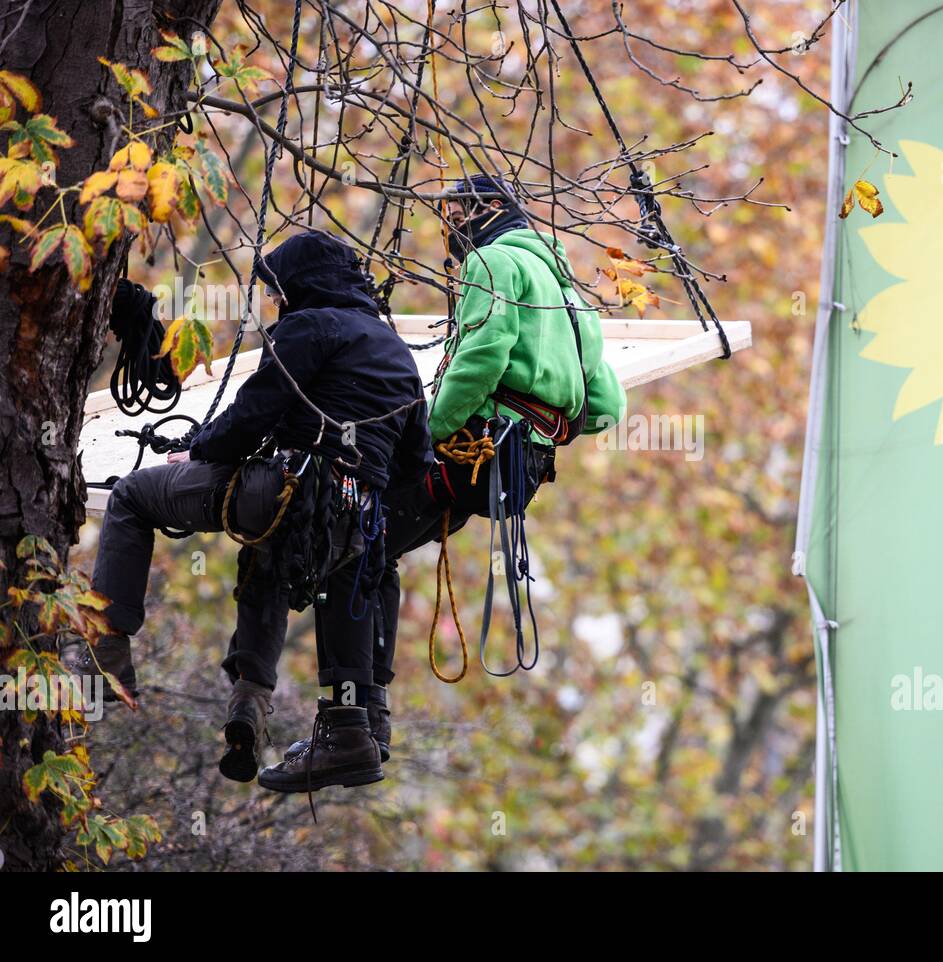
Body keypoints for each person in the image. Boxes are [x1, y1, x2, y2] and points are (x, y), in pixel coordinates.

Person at [276, 174, 627, 765]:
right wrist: (542, 420)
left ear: (489, 211)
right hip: (517, 466)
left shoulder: (492, 264)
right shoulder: (568, 291)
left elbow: (484, 354)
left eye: (457, 213)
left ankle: (348, 727)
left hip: (474, 447)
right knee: (373, 546)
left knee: (347, 544)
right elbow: (607, 407)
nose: (450, 228)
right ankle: (367, 719)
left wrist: (428, 433)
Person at [66, 230, 431, 791]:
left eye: (278, 292)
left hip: (285, 489)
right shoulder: (396, 352)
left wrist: (198, 448)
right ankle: (314, 718)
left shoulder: (311, 327)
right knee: (279, 565)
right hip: (359, 523)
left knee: (133, 495)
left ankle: (108, 646)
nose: (276, 304)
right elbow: (414, 463)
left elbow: (249, 418)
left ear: (302, 286)